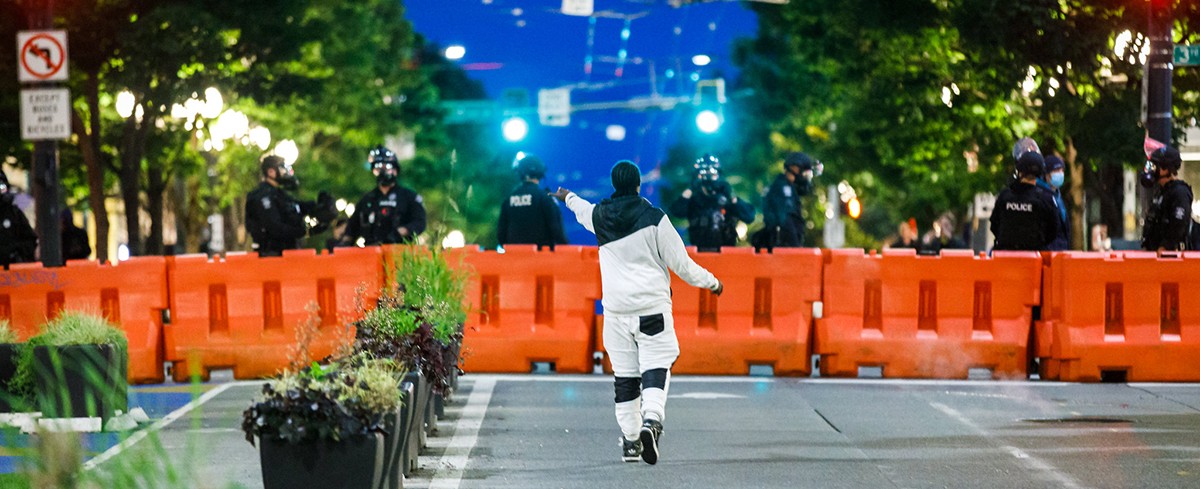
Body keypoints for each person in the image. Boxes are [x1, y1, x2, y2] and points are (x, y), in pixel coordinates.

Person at [553, 161, 723, 466]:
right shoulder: (655, 218)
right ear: (638, 184)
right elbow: (682, 265)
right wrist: (713, 282)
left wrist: (567, 196)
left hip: (616, 312)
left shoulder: (600, 216)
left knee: (625, 376)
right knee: (656, 365)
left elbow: (581, 209)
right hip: (652, 309)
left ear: (614, 184)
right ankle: (652, 420)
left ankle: (631, 441)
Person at [245, 154, 336, 257]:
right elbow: (275, 228)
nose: (286, 172)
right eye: (282, 168)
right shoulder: (262, 196)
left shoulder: (280, 194)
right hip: (271, 256)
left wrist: (319, 207)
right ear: (271, 172)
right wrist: (305, 232)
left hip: (288, 253)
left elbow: (298, 207)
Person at [343, 145, 426, 246]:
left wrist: (401, 231)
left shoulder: (408, 197)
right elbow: (352, 227)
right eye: (378, 169)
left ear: (396, 170)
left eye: (387, 168)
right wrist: (344, 243)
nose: (383, 172)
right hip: (371, 250)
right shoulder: (367, 199)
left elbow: (419, 222)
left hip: (399, 249)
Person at [668, 154, 754, 251]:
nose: (708, 178)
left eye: (712, 174)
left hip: (726, 253)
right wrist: (691, 189)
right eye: (704, 174)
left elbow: (749, 217)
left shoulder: (727, 199)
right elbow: (675, 211)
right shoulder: (694, 200)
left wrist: (732, 196)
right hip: (699, 253)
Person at [990, 151, 1059, 251]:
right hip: (1035, 256)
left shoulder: (1005, 195)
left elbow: (994, 224)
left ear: (1020, 170)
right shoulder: (1047, 198)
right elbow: (1053, 230)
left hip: (1005, 255)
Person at [497, 154, 567, 248]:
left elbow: (501, 235)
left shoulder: (508, 200)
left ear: (519, 173)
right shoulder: (545, 198)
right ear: (540, 174)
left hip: (514, 255)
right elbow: (557, 232)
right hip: (541, 256)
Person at [756, 152, 819, 249]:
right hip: (783, 249)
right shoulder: (783, 189)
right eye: (805, 174)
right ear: (794, 169)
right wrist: (795, 248)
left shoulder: (785, 188)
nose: (805, 179)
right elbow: (786, 221)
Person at [1140, 146, 1193, 252]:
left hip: (1170, 257)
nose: (1150, 169)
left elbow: (1178, 225)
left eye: (1154, 166)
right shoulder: (1162, 192)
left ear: (1165, 169)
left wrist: (1165, 247)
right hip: (1155, 254)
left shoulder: (1179, 192)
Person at [0, 169, 37, 267]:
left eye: (1, 187)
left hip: (12, 270)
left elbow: (31, 241)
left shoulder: (14, 213)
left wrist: (14, 250)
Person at [1037, 155, 1070, 250]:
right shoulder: (1041, 196)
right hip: (1048, 251)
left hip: (1060, 250)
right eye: (1056, 170)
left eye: (1062, 170)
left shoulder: (1057, 196)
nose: (1060, 174)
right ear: (1046, 174)